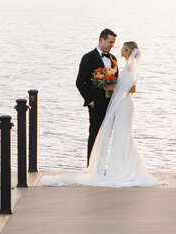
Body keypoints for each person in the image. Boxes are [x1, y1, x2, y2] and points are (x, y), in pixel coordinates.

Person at [47, 41, 161, 187]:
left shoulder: (129, 66)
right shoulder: (120, 63)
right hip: (117, 104)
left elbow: (132, 89)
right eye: (112, 42)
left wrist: (109, 86)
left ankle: (126, 168)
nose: (117, 49)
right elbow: (81, 81)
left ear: (127, 51)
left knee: (123, 134)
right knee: (119, 135)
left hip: (125, 104)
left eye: (121, 48)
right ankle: (116, 167)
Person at [75, 28, 118, 162]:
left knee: (107, 135)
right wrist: (90, 101)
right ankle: (91, 166)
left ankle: (103, 164)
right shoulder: (88, 57)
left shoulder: (113, 58)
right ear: (101, 39)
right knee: (94, 134)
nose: (112, 45)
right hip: (96, 104)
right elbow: (80, 82)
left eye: (113, 43)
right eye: (110, 42)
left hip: (111, 103)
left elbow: (116, 79)